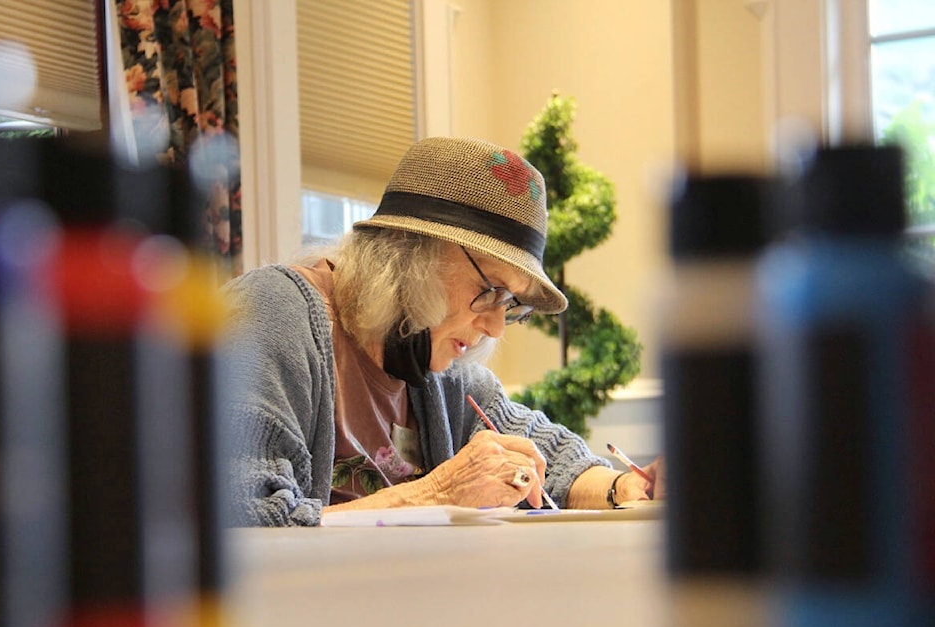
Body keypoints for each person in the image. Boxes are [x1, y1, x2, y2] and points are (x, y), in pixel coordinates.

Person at [222, 136, 664, 527]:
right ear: (410, 254)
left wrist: (625, 486)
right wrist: (436, 495)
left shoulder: (439, 367)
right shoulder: (269, 316)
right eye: (490, 289)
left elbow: (550, 456)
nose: (494, 326)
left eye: (511, 303)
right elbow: (243, 522)